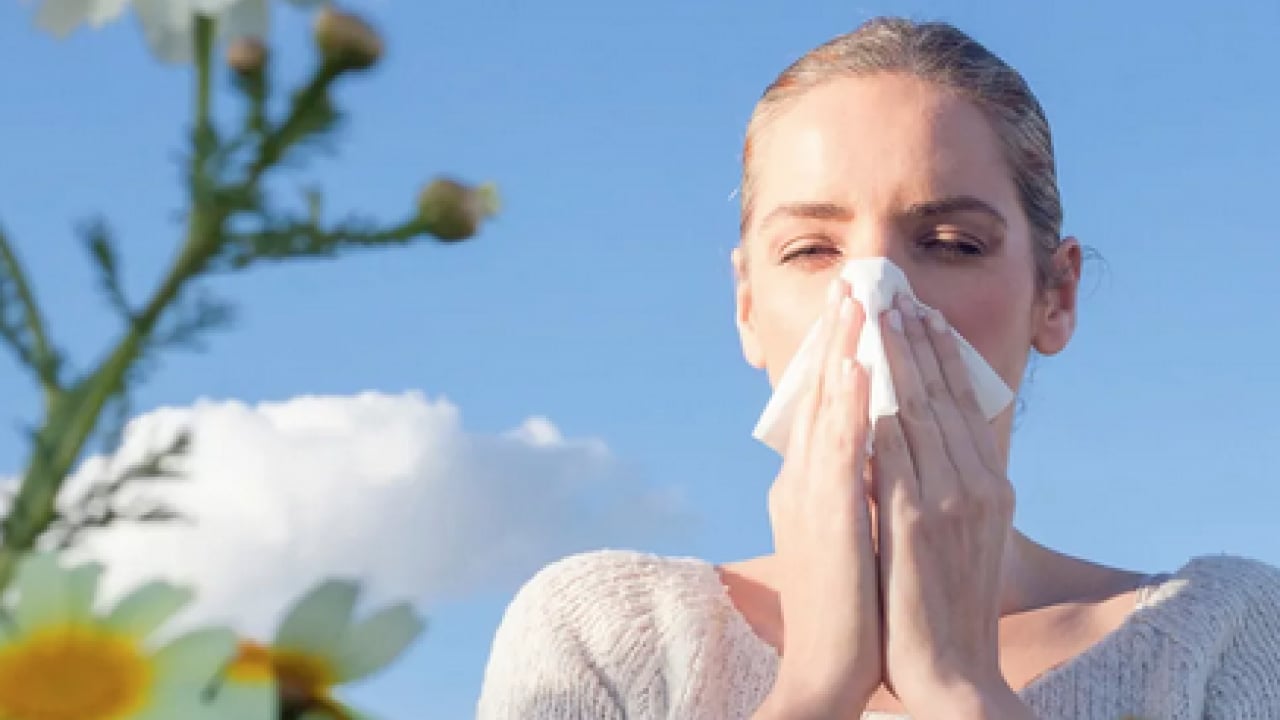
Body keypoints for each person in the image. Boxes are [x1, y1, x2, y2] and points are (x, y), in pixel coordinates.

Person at [475, 17, 1280, 720]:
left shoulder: (1224, 637)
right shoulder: (603, 637)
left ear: (1056, 295)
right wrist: (816, 688)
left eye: (951, 245)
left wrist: (959, 688)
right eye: (812, 250)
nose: (872, 300)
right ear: (747, 305)